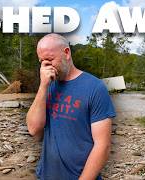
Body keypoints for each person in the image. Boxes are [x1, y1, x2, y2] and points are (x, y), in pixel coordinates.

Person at [26, 33, 116, 180]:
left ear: (66, 53)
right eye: (41, 62)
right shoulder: (48, 84)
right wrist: (43, 86)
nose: (45, 67)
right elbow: (34, 129)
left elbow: (103, 146)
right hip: (45, 175)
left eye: (49, 60)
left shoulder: (95, 87)